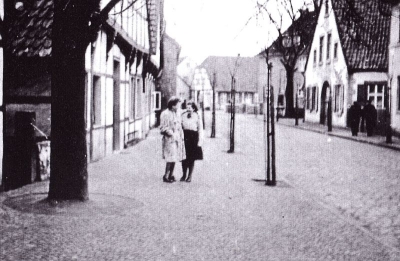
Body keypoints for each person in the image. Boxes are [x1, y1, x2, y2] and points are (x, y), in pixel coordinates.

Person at [160, 97, 186, 183]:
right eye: (177, 104)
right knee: (170, 157)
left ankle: (171, 174)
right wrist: (171, 133)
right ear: (172, 105)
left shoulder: (177, 113)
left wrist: (180, 135)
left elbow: (179, 126)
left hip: (177, 138)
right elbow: (163, 128)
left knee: (174, 157)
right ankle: (166, 175)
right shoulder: (165, 114)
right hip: (169, 139)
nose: (179, 106)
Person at [180, 101, 203, 182]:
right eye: (187, 108)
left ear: (193, 108)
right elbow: (180, 126)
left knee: (191, 158)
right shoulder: (183, 115)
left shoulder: (197, 116)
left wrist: (199, 142)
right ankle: (184, 175)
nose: (188, 109)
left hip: (193, 138)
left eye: (190, 108)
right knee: (183, 157)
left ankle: (190, 176)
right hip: (185, 137)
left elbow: (200, 129)